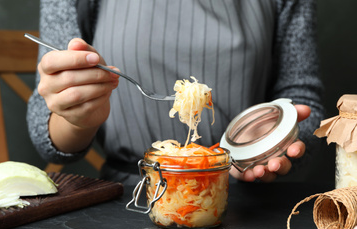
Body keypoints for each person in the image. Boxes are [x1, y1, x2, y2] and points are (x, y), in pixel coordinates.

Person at [27, 0, 325, 184]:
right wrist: (80, 117)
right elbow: (47, 133)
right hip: (130, 198)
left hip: (247, 199)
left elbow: (303, 101)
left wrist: (269, 145)